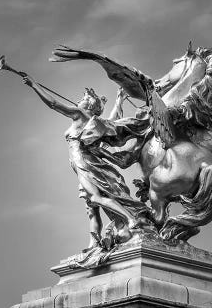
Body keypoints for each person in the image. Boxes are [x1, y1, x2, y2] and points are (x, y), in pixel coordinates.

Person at [22, 74, 147, 250]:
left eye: (82, 99)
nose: (79, 101)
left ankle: (130, 219)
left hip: (83, 162)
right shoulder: (96, 122)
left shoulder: (79, 114)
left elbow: (54, 104)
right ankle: (94, 242)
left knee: (95, 198)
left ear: (88, 105)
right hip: (85, 162)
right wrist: (119, 101)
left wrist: (34, 85)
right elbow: (112, 120)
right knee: (91, 208)